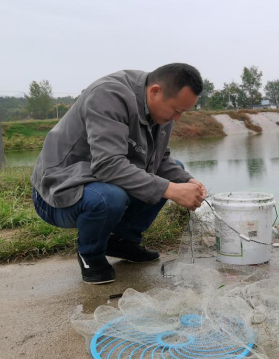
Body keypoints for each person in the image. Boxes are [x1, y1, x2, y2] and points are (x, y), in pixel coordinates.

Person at [31, 64, 207, 284]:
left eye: (183, 112)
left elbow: (160, 160)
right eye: (176, 110)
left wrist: (187, 180)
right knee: (110, 197)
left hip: (98, 180)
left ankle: (122, 242)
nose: (177, 119)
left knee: (174, 174)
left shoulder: (161, 112)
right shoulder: (108, 96)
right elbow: (107, 165)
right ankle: (90, 254)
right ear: (155, 91)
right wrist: (171, 189)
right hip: (57, 191)